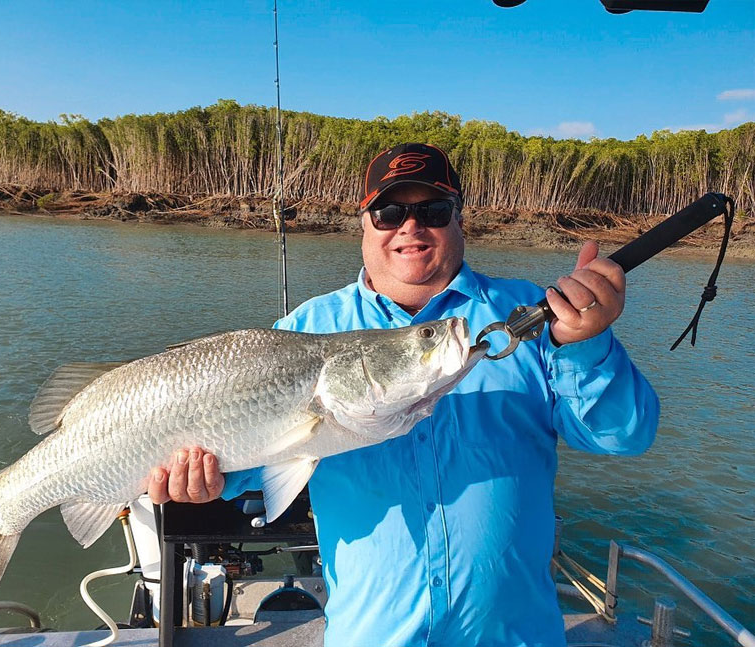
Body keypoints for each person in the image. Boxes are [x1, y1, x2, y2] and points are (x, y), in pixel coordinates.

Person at [147, 143, 659, 647]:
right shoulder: (303, 329)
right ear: (364, 224)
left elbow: (624, 436)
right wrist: (203, 480)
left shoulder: (536, 314)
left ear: (460, 219)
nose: (409, 227)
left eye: (432, 210)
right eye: (389, 212)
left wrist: (587, 344)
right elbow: (253, 461)